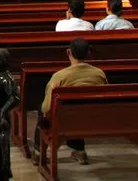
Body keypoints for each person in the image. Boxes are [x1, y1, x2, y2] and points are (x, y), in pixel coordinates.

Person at [33, 37, 107, 165]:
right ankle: (79, 150)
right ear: (88, 53)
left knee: (44, 110)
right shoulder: (99, 74)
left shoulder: (59, 76)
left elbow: (47, 108)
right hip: (94, 119)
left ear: (69, 52)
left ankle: (38, 152)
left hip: (66, 121)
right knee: (78, 111)